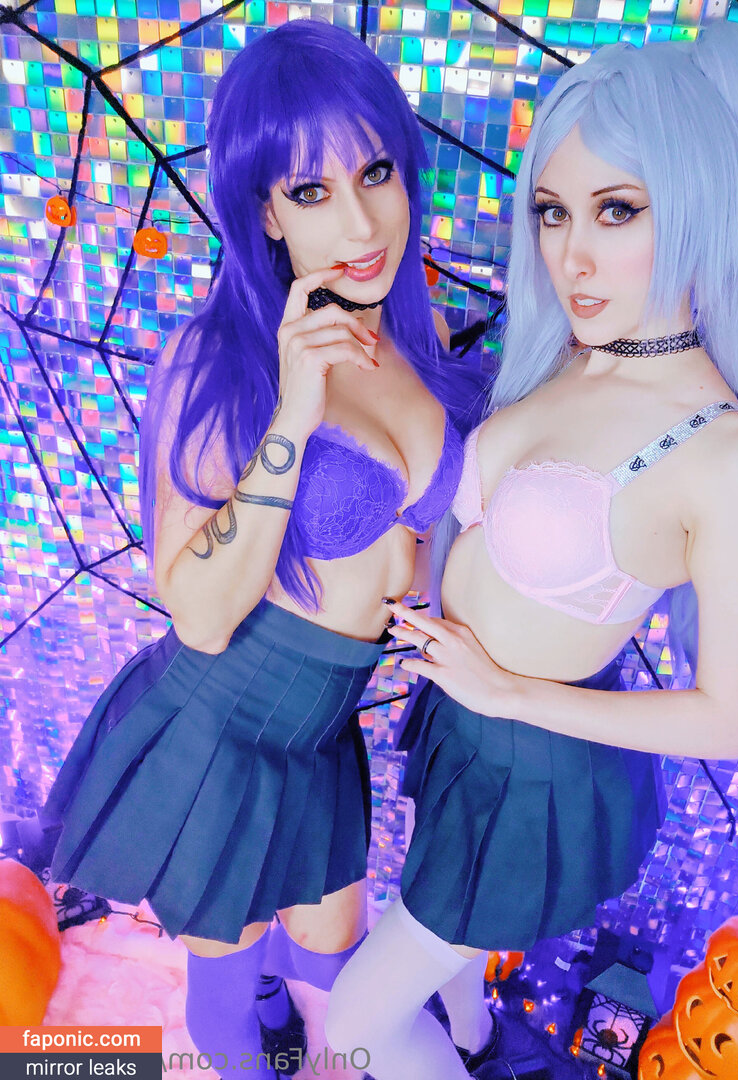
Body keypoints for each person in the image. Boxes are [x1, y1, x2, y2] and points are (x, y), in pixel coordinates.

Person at [325, 20, 738, 1079]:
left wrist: (509, 691)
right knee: (445, 942)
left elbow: (733, 722)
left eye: (617, 210)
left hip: (530, 763)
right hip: (461, 726)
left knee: (354, 1031)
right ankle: (477, 1038)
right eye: (553, 211)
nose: (571, 255)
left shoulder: (729, 454)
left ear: (704, 208)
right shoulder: (566, 359)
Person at [41, 18, 480, 1079]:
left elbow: (424, 542)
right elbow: (198, 614)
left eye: (376, 172)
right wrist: (293, 410)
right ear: (266, 212)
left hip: (326, 731)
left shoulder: (420, 334)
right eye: (311, 190)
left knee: (338, 971)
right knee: (228, 1004)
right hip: (224, 728)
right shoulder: (216, 359)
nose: (362, 222)